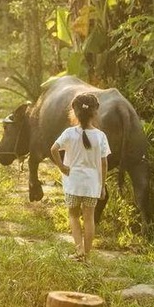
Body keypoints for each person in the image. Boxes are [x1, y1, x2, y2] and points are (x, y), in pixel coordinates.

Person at [50, 92, 111, 261]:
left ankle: (79, 251)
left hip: (73, 183)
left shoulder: (69, 133)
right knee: (89, 218)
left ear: (74, 111)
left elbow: (54, 149)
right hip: (92, 184)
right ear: (95, 112)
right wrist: (102, 186)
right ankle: (87, 255)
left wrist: (62, 167)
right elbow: (104, 163)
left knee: (74, 216)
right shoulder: (100, 136)